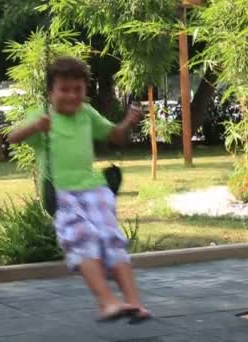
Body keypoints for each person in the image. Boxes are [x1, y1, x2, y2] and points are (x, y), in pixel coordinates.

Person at [8, 56, 152, 323]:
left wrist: (128, 123)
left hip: (94, 188)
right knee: (82, 238)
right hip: (62, 193)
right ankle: (107, 301)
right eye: (64, 90)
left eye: (78, 89)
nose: (72, 96)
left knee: (111, 238)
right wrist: (36, 126)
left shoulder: (87, 113)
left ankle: (134, 302)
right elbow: (12, 137)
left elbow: (114, 135)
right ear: (51, 92)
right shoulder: (41, 114)